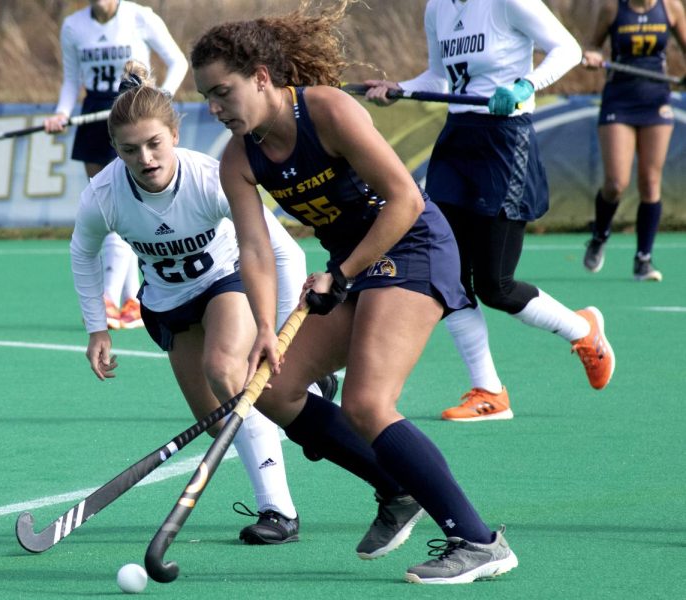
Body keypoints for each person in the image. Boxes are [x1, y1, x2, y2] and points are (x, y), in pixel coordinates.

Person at [190, 1, 517, 584]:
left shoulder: (328, 111)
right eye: (207, 98)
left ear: (261, 78)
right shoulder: (239, 158)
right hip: (352, 266)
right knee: (271, 385)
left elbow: (405, 201)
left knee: (366, 403)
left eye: (223, 92)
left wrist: (341, 275)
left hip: (413, 248)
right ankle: (395, 486)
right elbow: (257, 251)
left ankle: (477, 540)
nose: (215, 109)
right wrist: (266, 327)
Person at [70, 61, 334, 544]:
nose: (146, 158)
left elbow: (284, 252)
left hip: (224, 281)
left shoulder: (208, 178)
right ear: (115, 150)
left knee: (223, 370)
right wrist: (98, 328)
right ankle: (312, 405)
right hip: (167, 305)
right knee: (220, 424)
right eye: (130, 150)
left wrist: (279, 338)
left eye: (154, 144)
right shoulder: (103, 194)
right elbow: (82, 254)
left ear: (174, 133)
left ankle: (279, 513)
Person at [364, 0, 616, 422]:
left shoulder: (508, 2)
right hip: (457, 142)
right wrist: (400, 89)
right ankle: (489, 392)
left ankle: (583, 330)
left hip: (505, 141)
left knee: (495, 285)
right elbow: (438, 75)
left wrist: (524, 86)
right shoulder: (437, 9)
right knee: (448, 276)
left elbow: (568, 49)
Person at [48, 0, 189, 329]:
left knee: (124, 205)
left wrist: (160, 97)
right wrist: (61, 113)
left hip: (131, 115)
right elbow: (71, 81)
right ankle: (131, 301)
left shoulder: (140, 17)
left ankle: (109, 299)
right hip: (95, 114)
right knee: (105, 203)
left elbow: (177, 61)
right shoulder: (73, 26)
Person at [581, 0, 686, 282]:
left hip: (656, 100)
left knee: (650, 181)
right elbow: (592, 45)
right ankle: (600, 234)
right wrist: (590, 56)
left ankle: (643, 259)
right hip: (619, 100)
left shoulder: (671, 8)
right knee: (616, 183)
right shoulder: (612, 8)